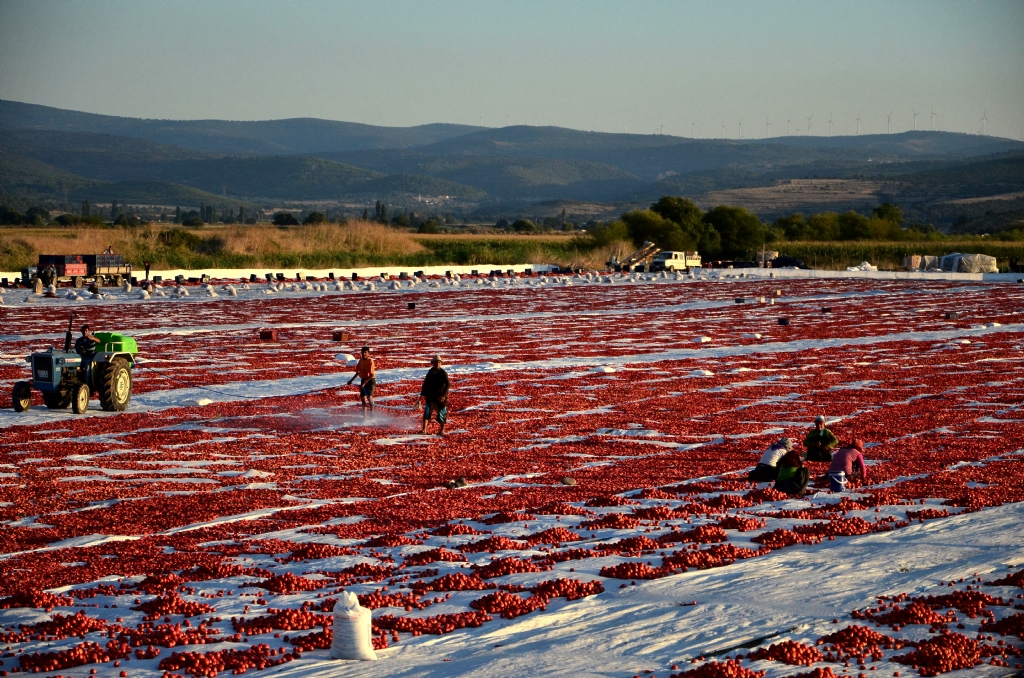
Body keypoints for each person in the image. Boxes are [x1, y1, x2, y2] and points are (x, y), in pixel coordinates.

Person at [417, 355, 450, 436]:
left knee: (442, 412)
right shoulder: (430, 372)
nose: (438, 364)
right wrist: (422, 394)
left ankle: (442, 430)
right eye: (436, 362)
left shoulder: (443, 373)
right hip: (430, 396)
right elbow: (425, 384)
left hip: (440, 396)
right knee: (427, 411)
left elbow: (448, 384)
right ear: (433, 363)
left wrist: (443, 395)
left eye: (439, 362)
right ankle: (424, 429)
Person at [347, 346, 376, 411]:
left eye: (365, 352)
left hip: (370, 380)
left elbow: (372, 374)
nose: (364, 354)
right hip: (363, 379)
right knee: (363, 398)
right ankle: (364, 415)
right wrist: (351, 380)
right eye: (362, 352)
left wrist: (365, 382)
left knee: (369, 397)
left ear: (368, 353)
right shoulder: (360, 361)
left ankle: (372, 414)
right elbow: (358, 372)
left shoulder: (370, 361)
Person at [74, 325, 99, 389]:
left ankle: (87, 384)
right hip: (81, 355)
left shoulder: (91, 338)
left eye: (86, 331)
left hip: (90, 355)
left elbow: (99, 341)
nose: (85, 332)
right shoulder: (79, 340)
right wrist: (79, 349)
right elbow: (76, 348)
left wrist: (94, 338)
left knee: (87, 366)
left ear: (88, 331)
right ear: (81, 331)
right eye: (83, 331)